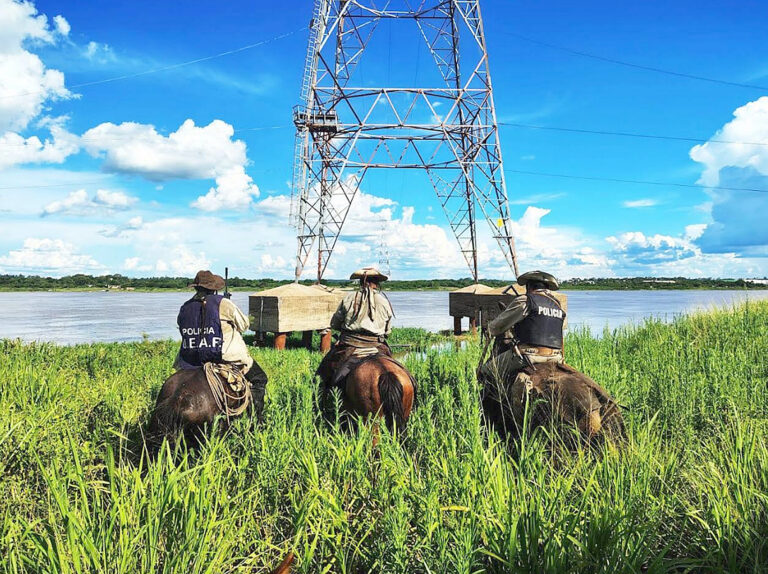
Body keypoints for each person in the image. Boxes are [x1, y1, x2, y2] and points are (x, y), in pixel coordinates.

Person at [174, 270, 267, 421]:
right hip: (223, 356)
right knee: (259, 378)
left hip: (191, 358)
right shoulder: (223, 303)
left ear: (196, 287)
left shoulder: (185, 307)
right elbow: (244, 325)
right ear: (214, 288)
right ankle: (256, 421)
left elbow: (181, 325)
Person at [478, 270, 566, 385]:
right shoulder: (557, 305)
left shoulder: (526, 300)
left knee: (486, 371)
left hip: (530, 355)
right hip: (556, 357)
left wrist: (489, 329)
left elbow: (496, 328)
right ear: (547, 288)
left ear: (529, 287)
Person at [316, 267, 394, 391]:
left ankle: (321, 393)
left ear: (361, 282)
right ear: (377, 283)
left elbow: (335, 323)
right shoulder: (384, 301)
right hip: (376, 345)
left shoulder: (349, 298)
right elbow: (387, 330)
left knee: (323, 371)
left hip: (350, 345)